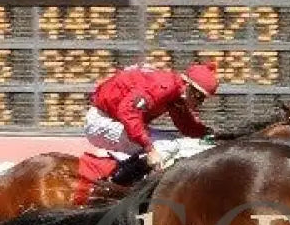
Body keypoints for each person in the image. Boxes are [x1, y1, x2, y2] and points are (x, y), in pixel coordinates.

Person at [85, 61, 219, 185]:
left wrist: (210, 135)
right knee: (166, 146)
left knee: (177, 143)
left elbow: (186, 125)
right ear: (187, 85)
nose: (199, 102)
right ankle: (117, 183)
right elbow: (128, 112)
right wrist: (150, 149)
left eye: (203, 99)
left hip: (117, 122)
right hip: (101, 122)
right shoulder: (163, 86)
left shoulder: (177, 93)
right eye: (198, 96)